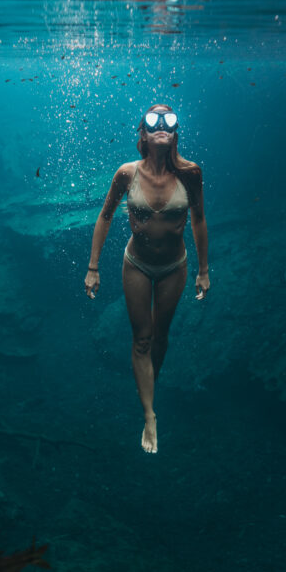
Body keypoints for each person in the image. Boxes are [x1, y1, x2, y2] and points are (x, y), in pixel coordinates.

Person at [85, 105, 209, 453]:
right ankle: (150, 415)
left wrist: (203, 270)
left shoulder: (191, 173)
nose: (161, 125)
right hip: (136, 264)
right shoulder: (127, 173)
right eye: (153, 120)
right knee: (142, 338)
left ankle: (148, 382)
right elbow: (105, 216)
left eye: (169, 120)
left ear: (175, 134)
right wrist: (93, 267)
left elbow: (198, 221)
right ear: (142, 133)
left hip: (175, 266)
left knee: (160, 336)